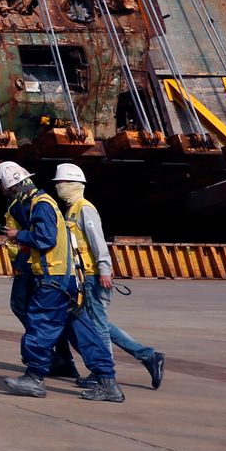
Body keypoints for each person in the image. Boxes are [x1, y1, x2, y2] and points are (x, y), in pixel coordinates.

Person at [0, 161, 121, 402]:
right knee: (82, 330)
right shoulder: (42, 204)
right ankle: (108, 383)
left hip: (53, 277)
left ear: (15, 186)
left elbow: (46, 239)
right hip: (67, 278)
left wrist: (18, 235)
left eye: (8, 189)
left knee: (40, 324)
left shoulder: (41, 204)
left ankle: (34, 378)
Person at [54, 164, 162, 392]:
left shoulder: (85, 209)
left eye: (61, 183)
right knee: (97, 324)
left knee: (98, 327)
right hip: (84, 277)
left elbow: (97, 241)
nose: (58, 187)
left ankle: (104, 373)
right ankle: (148, 356)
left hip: (94, 276)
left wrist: (104, 270)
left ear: (73, 185)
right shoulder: (71, 209)